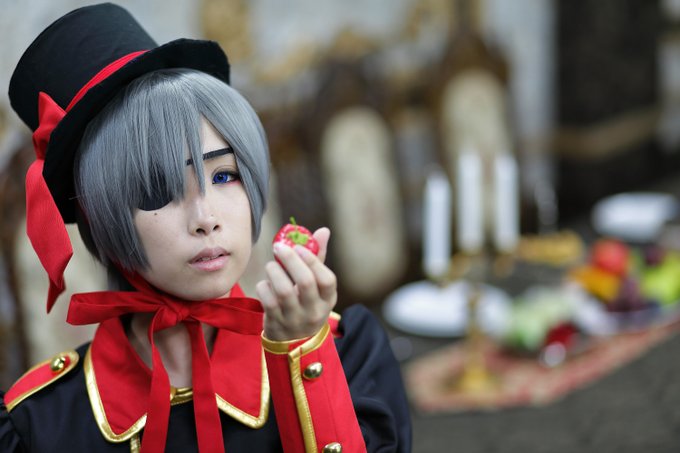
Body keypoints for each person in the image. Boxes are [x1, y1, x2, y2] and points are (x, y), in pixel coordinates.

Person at [0, 3, 412, 452]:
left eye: (224, 175)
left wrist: (301, 353)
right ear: (102, 217)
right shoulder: (40, 424)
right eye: (158, 189)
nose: (205, 218)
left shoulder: (347, 356)